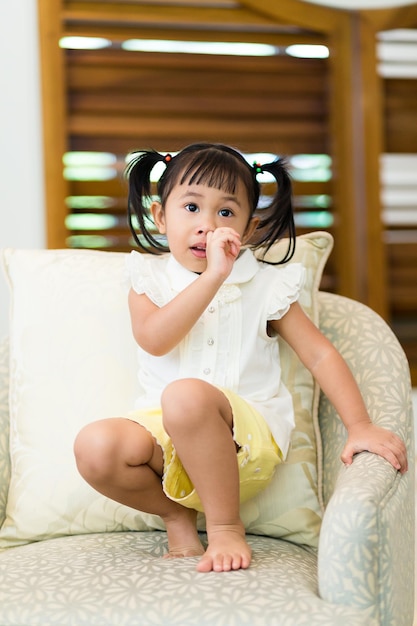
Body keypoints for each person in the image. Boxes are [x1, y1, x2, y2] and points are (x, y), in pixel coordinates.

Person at [74, 142, 408, 574]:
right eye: (191, 207)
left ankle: (225, 526)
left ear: (247, 230)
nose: (207, 226)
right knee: (95, 447)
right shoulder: (148, 277)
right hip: (166, 446)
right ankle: (177, 515)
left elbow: (320, 355)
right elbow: (155, 339)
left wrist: (360, 426)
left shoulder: (266, 284)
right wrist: (213, 277)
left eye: (225, 213)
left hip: (244, 445)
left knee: (187, 397)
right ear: (160, 216)